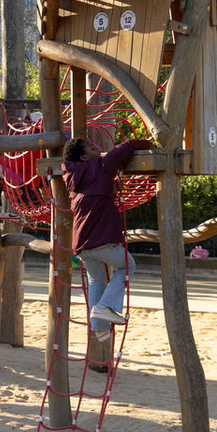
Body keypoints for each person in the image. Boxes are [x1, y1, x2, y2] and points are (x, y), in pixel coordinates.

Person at [62, 136, 152, 342]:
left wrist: (110, 190)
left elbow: (93, 197)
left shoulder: (73, 179)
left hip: (81, 243)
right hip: (99, 239)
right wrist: (149, 144)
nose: (98, 148)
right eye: (92, 147)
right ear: (85, 156)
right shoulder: (102, 165)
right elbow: (126, 146)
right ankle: (103, 307)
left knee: (95, 280)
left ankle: (99, 328)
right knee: (127, 265)